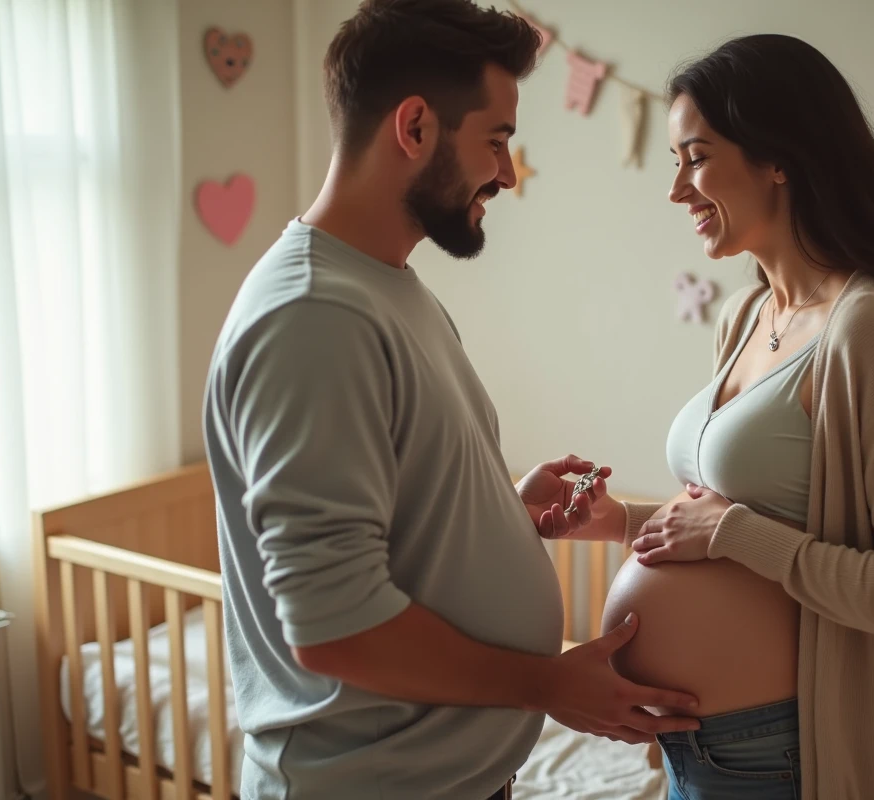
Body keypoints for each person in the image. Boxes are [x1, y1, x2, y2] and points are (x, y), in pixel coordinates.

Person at [201, 1, 701, 798]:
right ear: (414, 127)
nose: (506, 173)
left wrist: (497, 512)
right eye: (496, 141)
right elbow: (334, 629)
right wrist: (545, 682)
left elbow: (387, 508)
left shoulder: (389, 289)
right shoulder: (314, 317)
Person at [568, 34, 874, 800]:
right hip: (691, 747)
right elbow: (739, 516)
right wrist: (621, 521)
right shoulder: (746, 313)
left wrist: (728, 532)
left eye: (695, 158)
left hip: (782, 753)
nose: (676, 190)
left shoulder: (866, 325)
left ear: (778, 158)